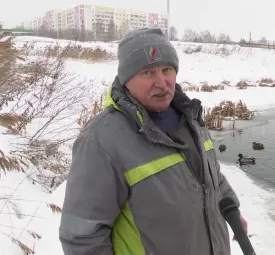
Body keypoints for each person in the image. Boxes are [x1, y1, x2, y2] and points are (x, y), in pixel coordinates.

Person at [59, 28, 247, 255]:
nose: (161, 82)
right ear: (127, 79)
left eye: (167, 69)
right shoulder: (101, 141)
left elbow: (213, 176)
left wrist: (231, 212)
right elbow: (82, 237)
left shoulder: (191, 118)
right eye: (148, 72)